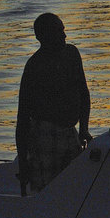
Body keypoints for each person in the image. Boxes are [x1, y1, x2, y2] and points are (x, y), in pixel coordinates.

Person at [15, 12, 92, 194]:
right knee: (47, 189)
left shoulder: (72, 54)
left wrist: (84, 129)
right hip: (45, 137)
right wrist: (23, 162)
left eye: (63, 30)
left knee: (74, 187)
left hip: (70, 133)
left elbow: (83, 93)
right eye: (59, 31)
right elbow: (23, 117)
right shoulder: (35, 66)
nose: (65, 35)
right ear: (44, 36)